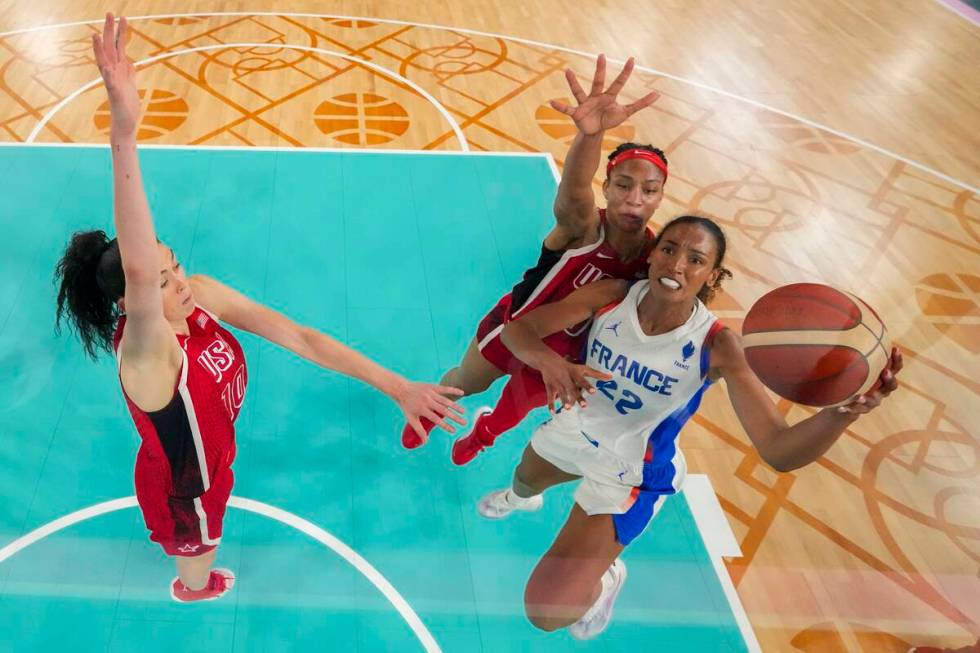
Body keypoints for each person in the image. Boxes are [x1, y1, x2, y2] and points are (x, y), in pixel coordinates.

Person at [54, 14, 465, 603]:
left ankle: (195, 567)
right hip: (186, 488)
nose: (180, 283)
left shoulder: (202, 297)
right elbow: (141, 269)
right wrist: (124, 132)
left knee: (209, 519)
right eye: (162, 281)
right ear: (133, 300)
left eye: (176, 267)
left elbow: (299, 336)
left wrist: (396, 385)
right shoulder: (148, 352)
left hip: (213, 457)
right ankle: (193, 587)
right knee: (199, 555)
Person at [472, 214, 903, 639]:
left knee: (546, 612)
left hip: (630, 470)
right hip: (576, 426)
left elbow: (779, 450)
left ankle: (606, 579)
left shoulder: (718, 345)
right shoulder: (611, 296)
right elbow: (519, 330)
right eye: (669, 249)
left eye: (695, 259)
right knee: (526, 480)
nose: (677, 265)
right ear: (653, 255)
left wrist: (842, 414)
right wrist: (553, 364)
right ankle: (520, 498)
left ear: (712, 275)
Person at [399, 54, 665, 466]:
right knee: (465, 383)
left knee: (514, 411)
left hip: (570, 356)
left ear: (660, 196)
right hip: (513, 324)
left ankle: (483, 434)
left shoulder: (657, 258)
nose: (634, 198)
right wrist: (590, 136)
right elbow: (574, 190)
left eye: (648, 190)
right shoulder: (582, 227)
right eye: (624, 185)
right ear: (608, 187)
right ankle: (431, 410)